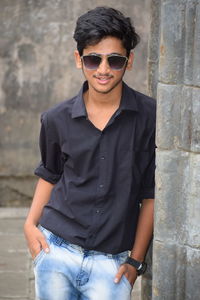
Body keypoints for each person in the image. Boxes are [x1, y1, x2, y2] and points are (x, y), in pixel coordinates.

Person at [24, 6, 156, 300]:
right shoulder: (55, 118)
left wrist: (135, 261)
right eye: (93, 59)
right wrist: (30, 226)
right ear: (78, 60)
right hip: (56, 251)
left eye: (115, 60)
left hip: (113, 263)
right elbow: (50, 173)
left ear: (129, 61)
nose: (104, 69)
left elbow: (151, 193)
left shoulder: (150, 116)